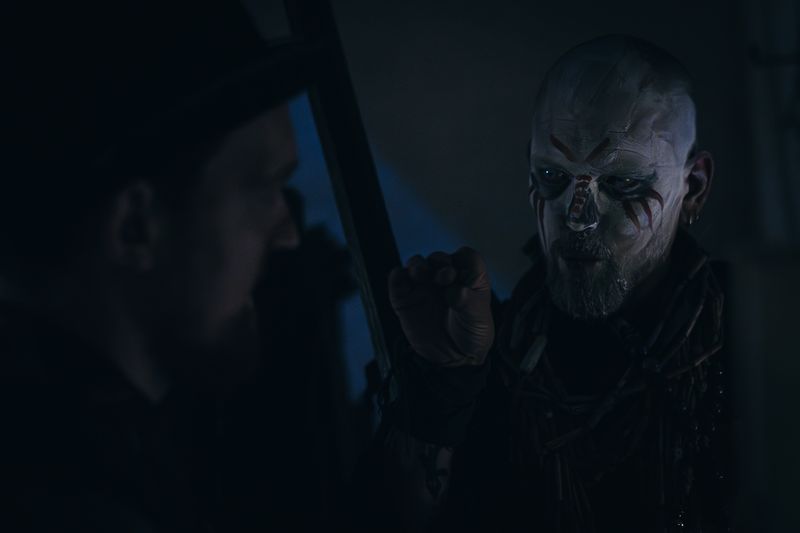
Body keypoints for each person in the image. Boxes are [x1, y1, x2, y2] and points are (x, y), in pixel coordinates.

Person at [362, 35, 734, 532]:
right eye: (552, 176)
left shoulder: (755, 341)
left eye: (623, 183)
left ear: (694, 187)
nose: (577, 217)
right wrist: (445, 381)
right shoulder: (498, 353)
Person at [1, 1, 350, 531]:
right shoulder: (69, 499)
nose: (289, 234)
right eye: (264, 190)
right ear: (135, 225)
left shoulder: (103, 451)